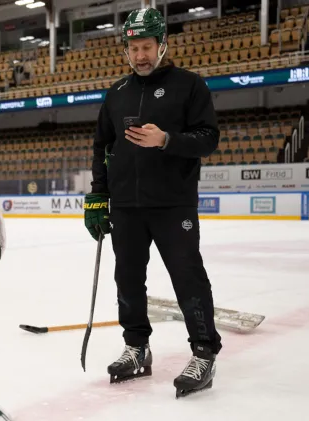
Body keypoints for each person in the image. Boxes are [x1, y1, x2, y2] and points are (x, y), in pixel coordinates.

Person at [82, 7, 222, 398]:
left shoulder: (189, 86)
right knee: (127, 279)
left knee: (187, 276)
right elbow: (101, 147)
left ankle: (204, 351)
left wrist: (167, 140)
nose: (140, 55)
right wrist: (98, 196)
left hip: (173, 205)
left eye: (147, 46)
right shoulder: (117, 93)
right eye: (133, 48)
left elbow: (209, 138)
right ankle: (137, 347)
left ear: (162, 45)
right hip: (126, 206)